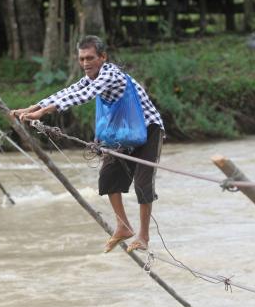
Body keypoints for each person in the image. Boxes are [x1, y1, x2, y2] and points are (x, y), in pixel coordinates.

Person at [10, 35, 164, 253]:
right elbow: (69, 91)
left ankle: (143, 236)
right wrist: (32, 107)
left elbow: (85, 95)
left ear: (103, 57)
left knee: (142, 183)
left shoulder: (109, 74)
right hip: (123, 130)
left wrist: (44, 112)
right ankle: (123, 226)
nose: (85, 63)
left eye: (90, 58)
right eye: (81, 59)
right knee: (108, 176)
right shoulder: (91, 76)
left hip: (149, 129)